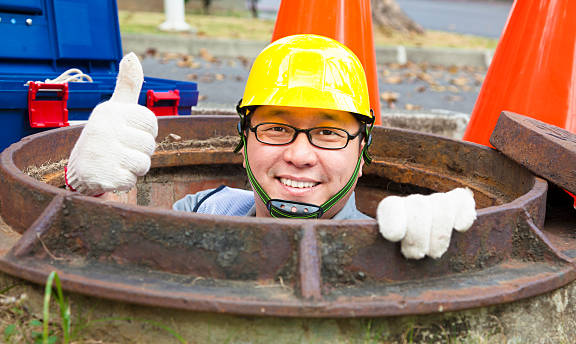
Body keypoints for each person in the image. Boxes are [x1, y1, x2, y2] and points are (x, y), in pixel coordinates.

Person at [65, 34, 476, 259]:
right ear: (243, 142)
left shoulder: (389, 241)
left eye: (329, 133)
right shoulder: (206, 209)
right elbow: (122, 259)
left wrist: (438, 259)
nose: (299, 155)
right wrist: (95, 193)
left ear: (362, 152)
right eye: (277, 129)